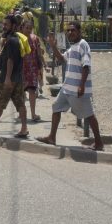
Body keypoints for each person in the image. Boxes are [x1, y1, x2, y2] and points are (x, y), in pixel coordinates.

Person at [36, 20, 104, 150]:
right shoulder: (72, 47)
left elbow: (86, 66)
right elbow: (62, 59)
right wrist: (52, 46)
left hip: (77, 89)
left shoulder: (83, 45)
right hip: (67, 87)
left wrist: (82, 85)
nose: (70, 32)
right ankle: (52, 137)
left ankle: (99, 142)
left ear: (79, 32)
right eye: (68, 30)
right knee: (56, 107)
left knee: (89, 115)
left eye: (73, 30)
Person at [20, 18, 44, 122]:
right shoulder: (18, 39)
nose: (29, 30)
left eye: (30, 28)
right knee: (20, 93)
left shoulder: (35, 39)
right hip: (21, 69)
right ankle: (21, 114)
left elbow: (38, 54)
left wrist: (41, 67)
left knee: (32, 91)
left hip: (32, 69)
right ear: (22, 28)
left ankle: (33, 114)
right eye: (27, 28)